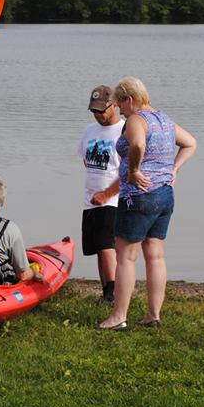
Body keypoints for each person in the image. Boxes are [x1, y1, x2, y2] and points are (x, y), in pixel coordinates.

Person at [98, 77, 197, 330]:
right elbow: (190, 143)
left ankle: (118, 316)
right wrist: (174, 168)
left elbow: (138, 143)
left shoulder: (136, 120)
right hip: (164, 195)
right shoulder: (163, 119)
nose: (119, 109)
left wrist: (133, 170)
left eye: (120, 103)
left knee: (126, 258)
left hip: (138, 197)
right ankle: (153, 315)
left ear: (130, 99)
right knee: (155, 256)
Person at [77, 85, 125, 304]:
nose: (98, 116)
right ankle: (106, 290)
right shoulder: (90, 130)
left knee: (107, 246)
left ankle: (113, 294)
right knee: (98, 247)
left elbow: (130, 170)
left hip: (113, 199)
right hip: (91, 199)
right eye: (94, 111)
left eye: (102, 111)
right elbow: (85, 158)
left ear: (114, 104)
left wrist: (107, 194)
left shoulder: (125, 130)